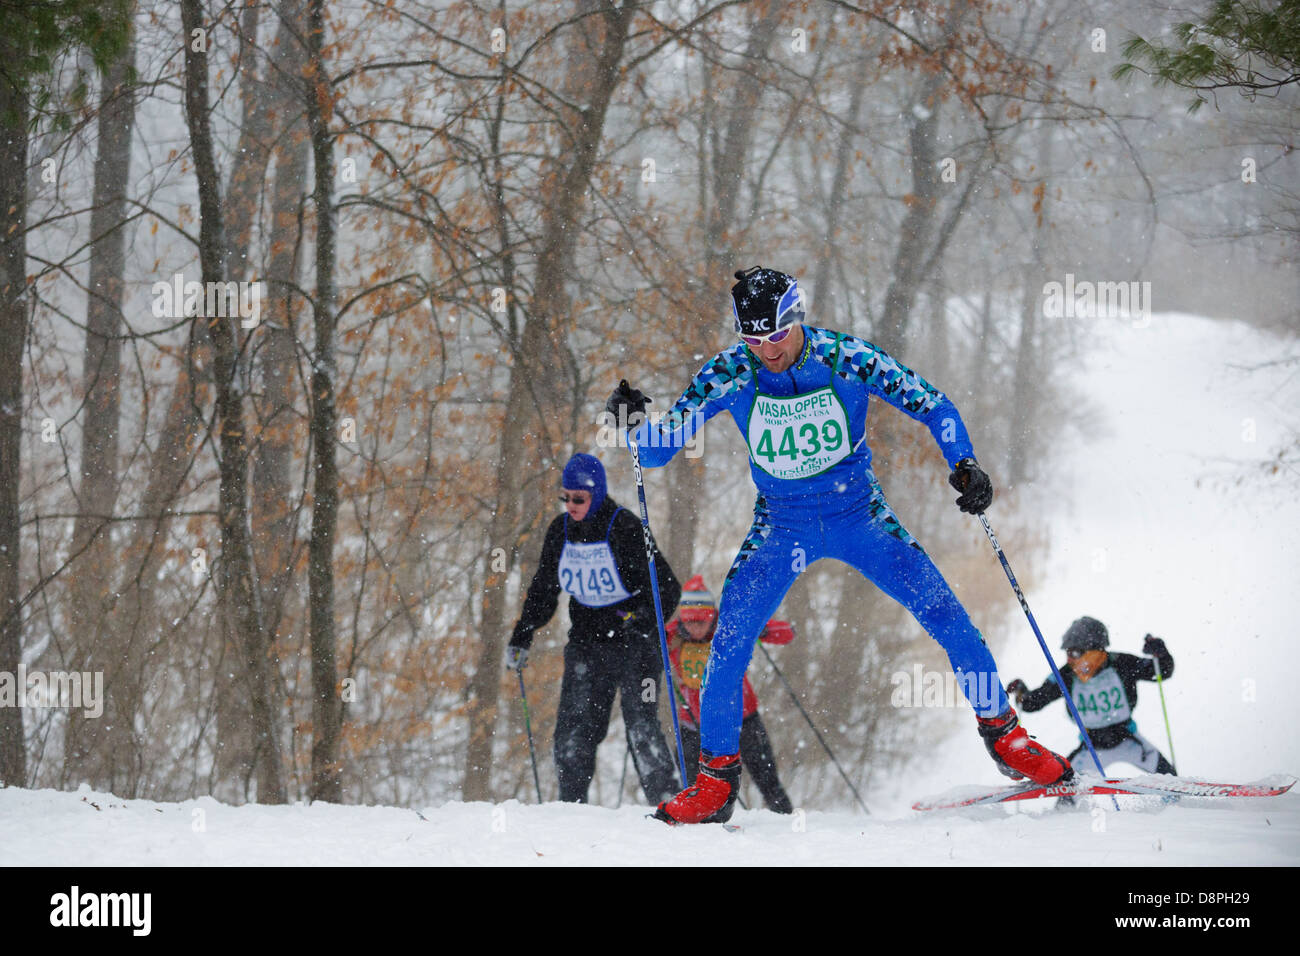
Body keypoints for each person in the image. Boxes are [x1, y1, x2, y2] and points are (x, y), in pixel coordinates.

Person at [606, 265, 1072, 825]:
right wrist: (635, 426)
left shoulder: (845, 358)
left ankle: (1006, 739)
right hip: (780, 529)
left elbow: (934, 404)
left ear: (796, 319)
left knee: (947, 615)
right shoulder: (728, 372)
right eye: (753, 340)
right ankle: (715, 783)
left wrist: (965, 464)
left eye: (776, 336)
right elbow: (658, 452)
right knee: (727, 645)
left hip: (860, 517)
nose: (767, 352)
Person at [505, 452, 682, 805]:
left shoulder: (627, 528)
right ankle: (571, 809)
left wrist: (641, 618)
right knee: (573, 731)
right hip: (587, 643)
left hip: (636, 647)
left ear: (597, 494)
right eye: (565, 497)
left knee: (641, 726)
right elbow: (544, 588)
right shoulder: (561, 532)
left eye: (579, 499)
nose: (571, 505)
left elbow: (668, 588)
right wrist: (524, 631)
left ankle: (667, 803)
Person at [667, 575, 794, 813]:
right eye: (690, 622)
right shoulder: (672, 637)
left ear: (712, 616)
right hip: (693, 725)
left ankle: (784, 818)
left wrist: (762, 629)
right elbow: (650, 644)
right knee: (693, 787)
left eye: (701, 621)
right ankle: (698, 828)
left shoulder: (729, 628)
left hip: (741, 718)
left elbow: (786, 634)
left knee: (766, 779)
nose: (695, 628)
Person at [1007, 616, 1176, 775]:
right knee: (1065, 789)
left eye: (1074, 653)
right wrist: (1022, 693)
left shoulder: (1122, 663)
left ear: (1096, 651)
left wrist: (1160, 653)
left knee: (1171, 779)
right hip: (1091, 747)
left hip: (1128, 739)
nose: (1069, 660)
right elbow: (1033, 702)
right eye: (1067, 653)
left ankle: (1179, 805)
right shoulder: (1066, 676)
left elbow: (1161, 671)